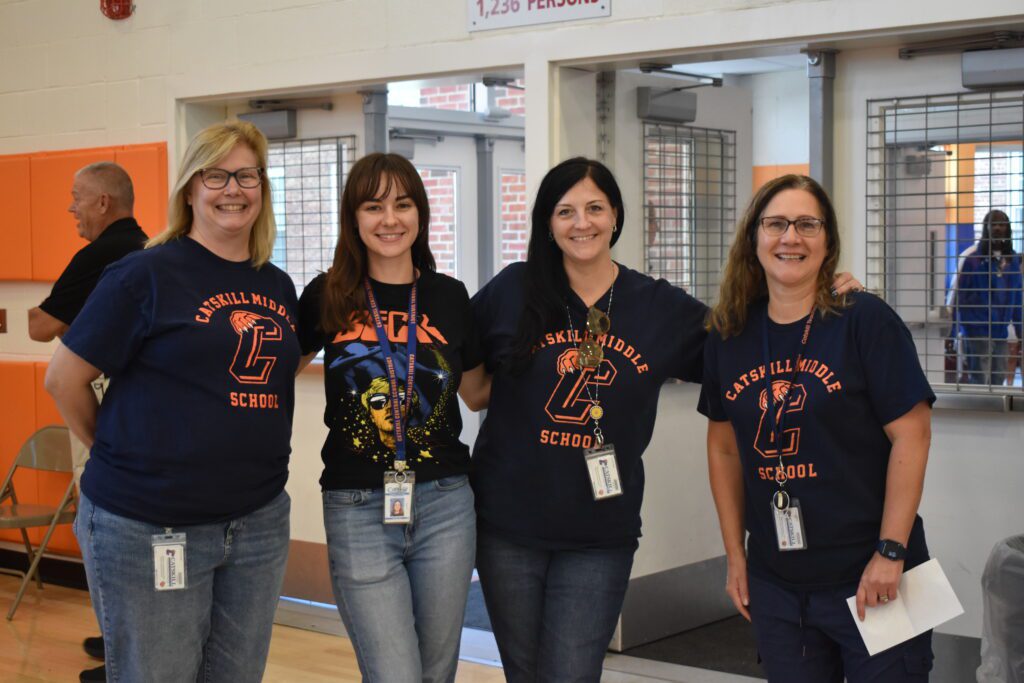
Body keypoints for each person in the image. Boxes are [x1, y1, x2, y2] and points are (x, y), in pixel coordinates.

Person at [469, 158, 861, 681]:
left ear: (616, 216)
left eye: (594, 208)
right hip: (507, 529)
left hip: (599, 535)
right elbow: (458, 358)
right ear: (547, 222)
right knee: (524, 672)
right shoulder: (513, 290)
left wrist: (812, 292)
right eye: (565, 211)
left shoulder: (655, 305)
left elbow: (743, 340)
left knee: (570, 673)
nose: (581, 223)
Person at [44, 121, 300, 682]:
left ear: (262, 189)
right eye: (216, 175)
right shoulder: (144, 274)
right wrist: (114, 451)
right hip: (151, 525)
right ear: (190, 189)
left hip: (255, 523)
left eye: (247, 176)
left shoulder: (276, 285)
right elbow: (64, 378)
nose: (233, 188)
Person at [700, 174, 935, 681]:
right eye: (776, 224)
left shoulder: (865, 320)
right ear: (753, 237)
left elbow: (912, 435)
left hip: (876, 574)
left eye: (808, 224)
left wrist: (890, 551)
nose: (791, 237)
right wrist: (735, 556)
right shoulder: (729, 332)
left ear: (827, 240)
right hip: (779, 584)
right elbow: (723, 450)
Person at [296, 152, 489, 683]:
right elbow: (271, 379)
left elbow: (475, 393)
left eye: (402, 204)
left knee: (434, 673)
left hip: (446, 503)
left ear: (420, 213)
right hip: (357, 506)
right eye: (374, 206)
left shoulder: (449, 296)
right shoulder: (327, 294)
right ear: (353, 218)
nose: (389, 219)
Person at [27, 161, 147, 683]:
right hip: (138, 401)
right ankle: (120, 639)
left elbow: (39, 325)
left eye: (77, 197)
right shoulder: (151, 248)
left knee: (98, 523)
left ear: (103, 203)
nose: (70, 207)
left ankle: (121, 655)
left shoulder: (100, 254)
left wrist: (83, 326)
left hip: (96, 391)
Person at [953, 210, 1023, 385]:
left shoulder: (1013, 260)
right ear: (986, 228)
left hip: (1000, 332)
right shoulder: (973, 260)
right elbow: (960, 299)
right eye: (994, 224)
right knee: (979, 379)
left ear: (1008, 229)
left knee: (999, 378)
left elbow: (1017, 297)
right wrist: (961, 330)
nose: (998, 228)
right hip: (977, 332)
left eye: (1002, 224)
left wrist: (1020, 331)